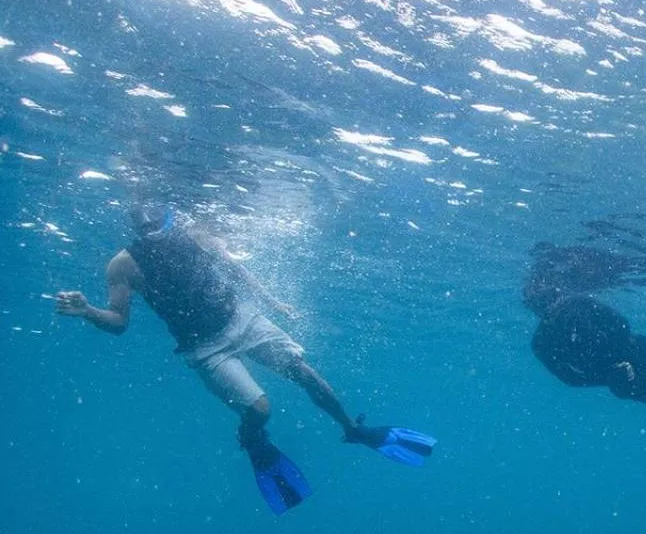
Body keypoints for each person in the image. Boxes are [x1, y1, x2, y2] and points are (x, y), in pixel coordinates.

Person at [55, 204, 435, 515]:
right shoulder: (122, 266)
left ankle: (353, 429)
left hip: (242, 318)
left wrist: (272, 302)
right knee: (260, 409)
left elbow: (234, 268)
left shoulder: (195, 234)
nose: (158, 235)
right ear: (137, 231)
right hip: (204, 347)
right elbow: (119, 322)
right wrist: (88, 310)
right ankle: (251, 438)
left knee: (305, 375)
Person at [525, 275, 646, 448]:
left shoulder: (575, 305)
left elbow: (621, 324)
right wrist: (608, 375)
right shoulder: (541, 342)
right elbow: (570, 379)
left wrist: (615, 361)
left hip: (636, 349)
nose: (546, 307)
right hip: (618, 377)